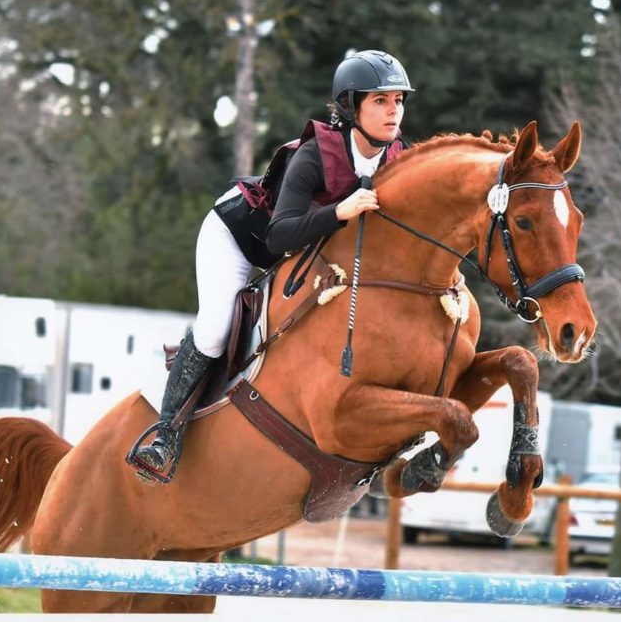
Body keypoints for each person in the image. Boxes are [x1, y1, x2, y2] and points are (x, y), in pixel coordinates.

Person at [133, 50, 414, 476]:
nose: (394, 111)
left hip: (295, 257)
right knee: (215, 326)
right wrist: (339, 212)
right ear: (350, 105)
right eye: (380, 100)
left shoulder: (400, 158)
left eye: (399, 100)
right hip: (240, 238)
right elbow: (278, 235)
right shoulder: (316, 155)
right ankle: (165, 435)